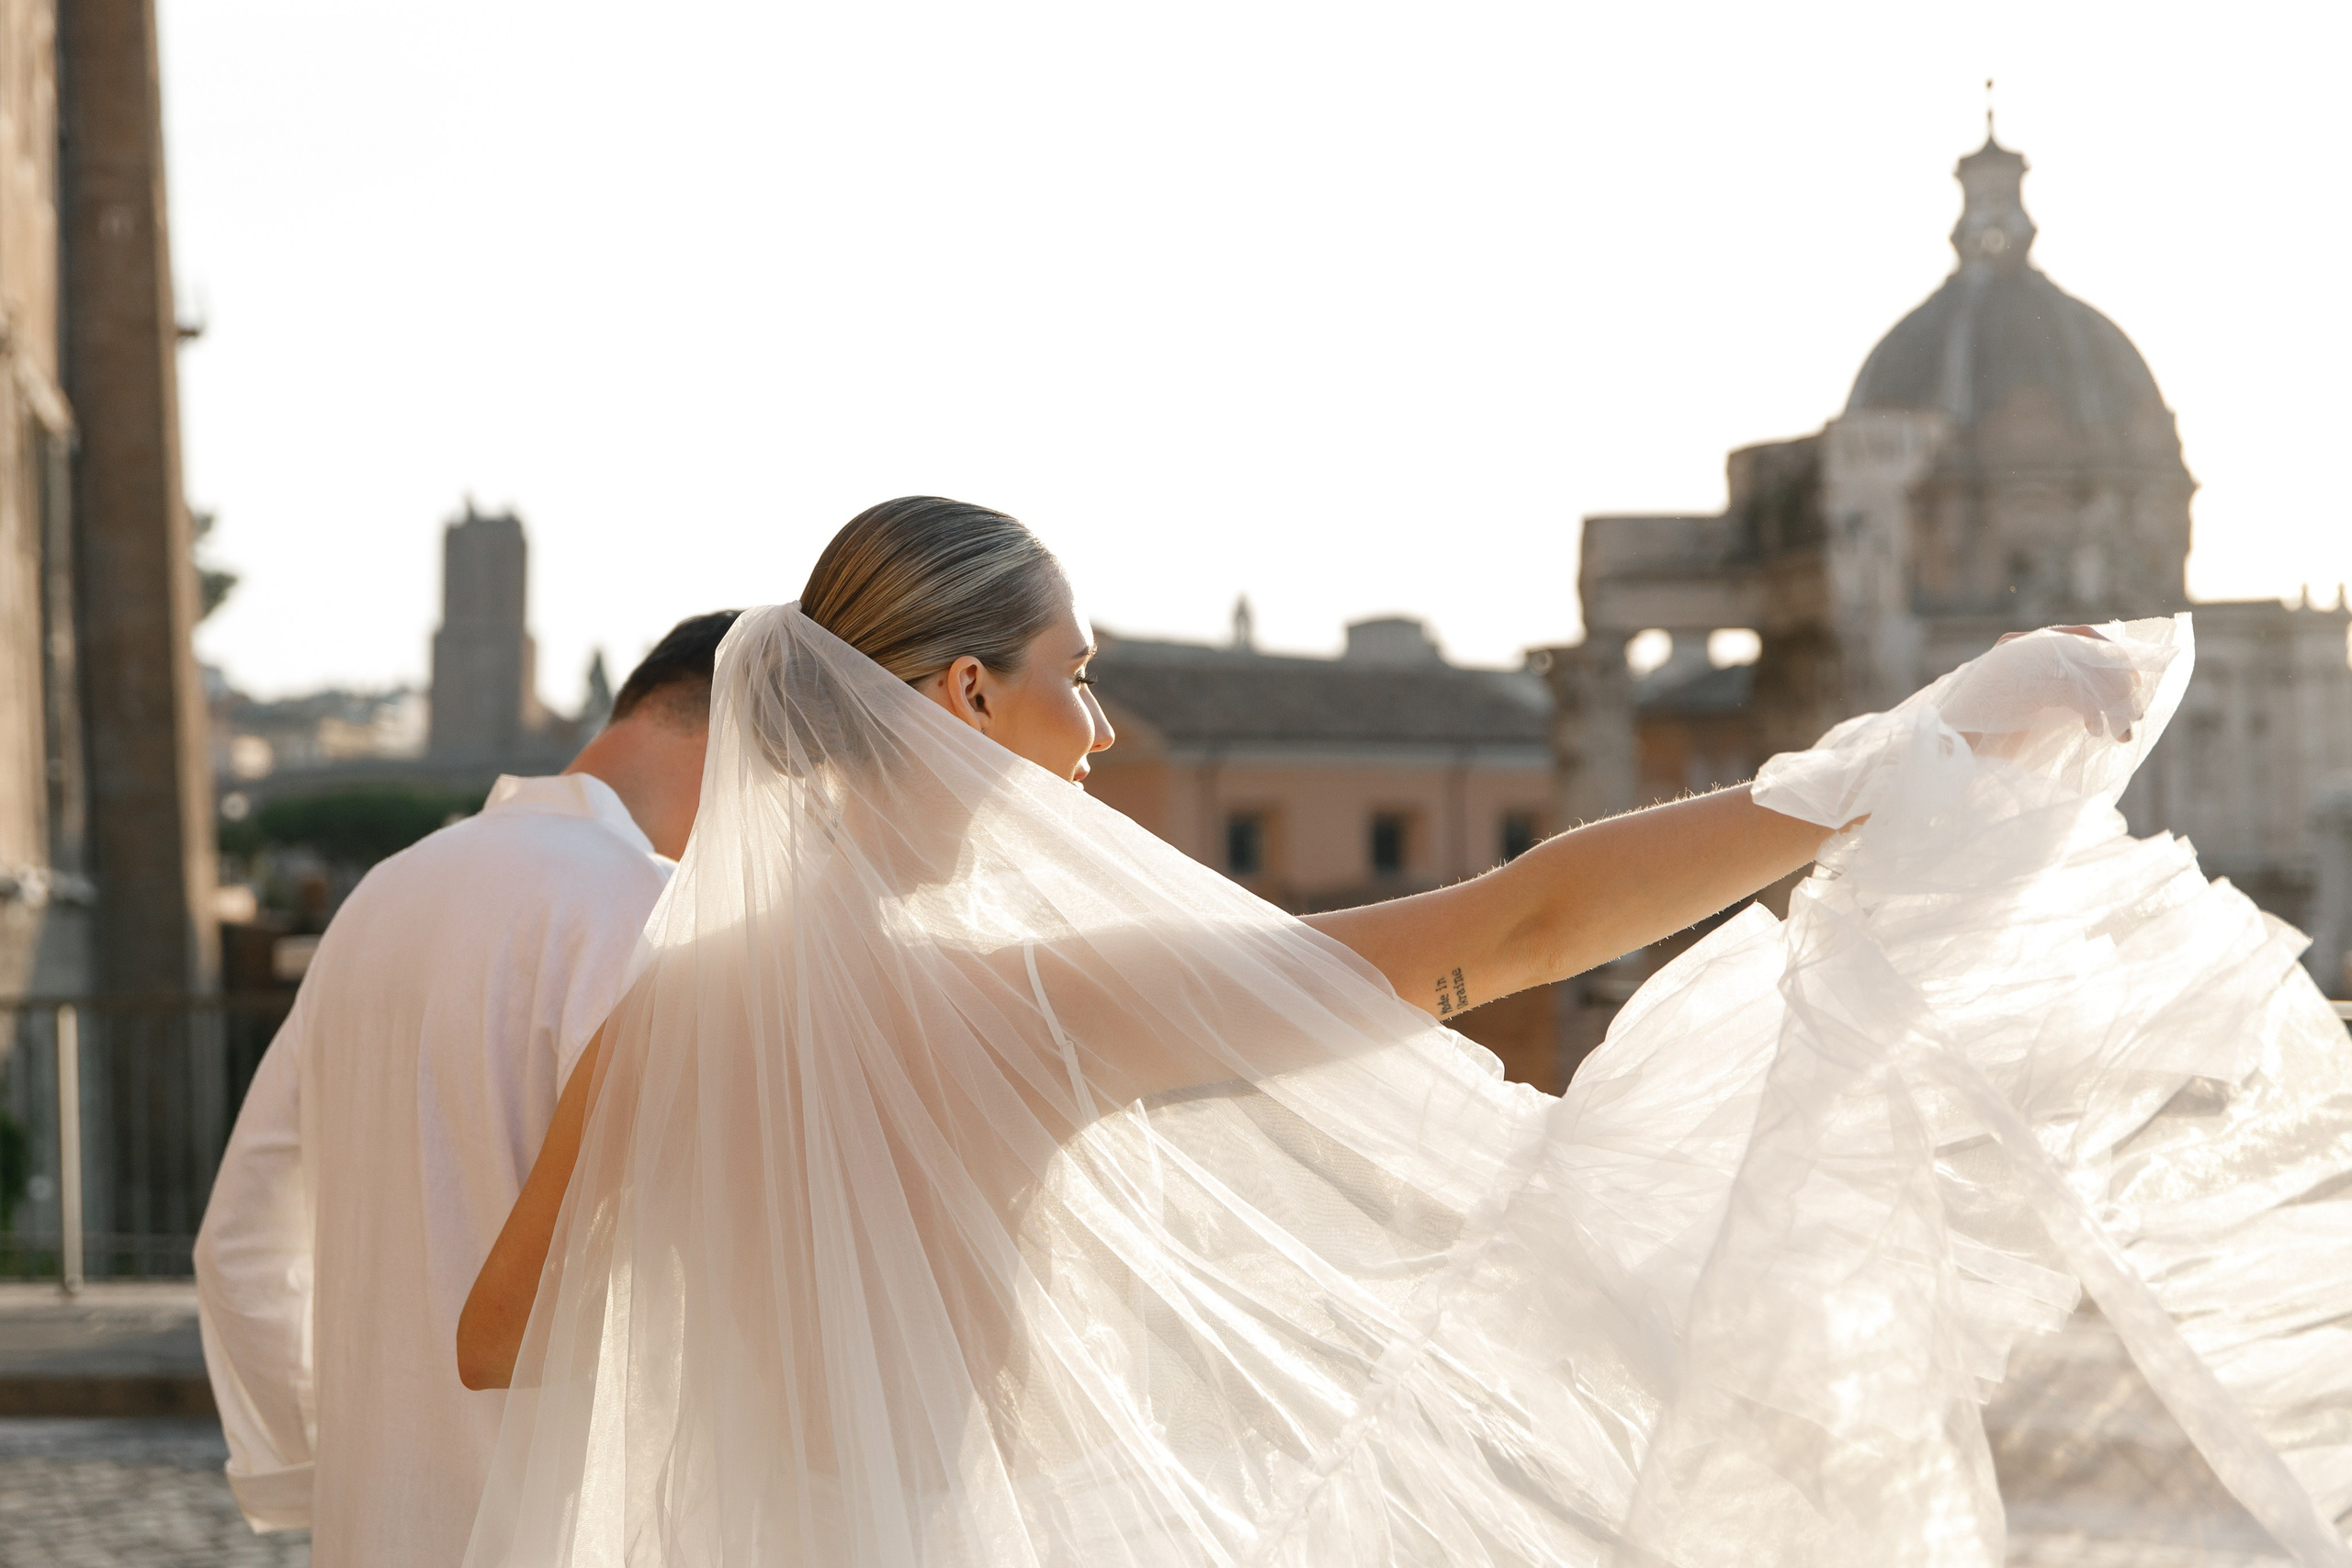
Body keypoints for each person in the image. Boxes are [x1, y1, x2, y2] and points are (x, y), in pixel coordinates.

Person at [458, 499, 2352, 1566]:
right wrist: (1895, 760)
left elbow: (488, 1340)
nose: (1096, 731)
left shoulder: (666, 1011)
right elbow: (1507, 923)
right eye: (1078, 680)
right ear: (969, 692)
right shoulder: (1019, 1005)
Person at [194, 610, 739, 1567]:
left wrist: (314, 1477)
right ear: (740, 738)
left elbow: (240, 1237)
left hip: (377, 1523)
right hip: (577, 1525)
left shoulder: (382, 892)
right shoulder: (656, 919)